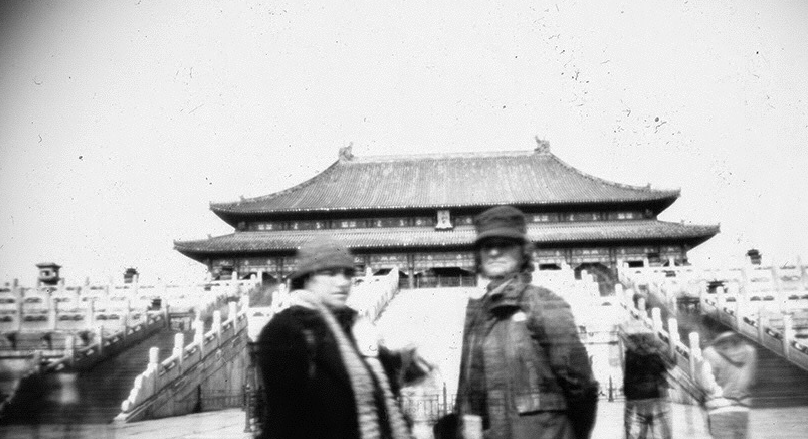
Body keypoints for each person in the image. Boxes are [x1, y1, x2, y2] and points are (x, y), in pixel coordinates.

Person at [256, 236, 428, 439]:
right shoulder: (285, 330)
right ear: (307, 278)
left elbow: (379, 381)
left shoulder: (355, 325)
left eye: (347, 274)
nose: (342, 282)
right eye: (330, 273)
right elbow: (283, 418)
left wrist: (404, 363)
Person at [453, 206, 599, 439]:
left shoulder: (542, 303)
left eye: (504, 245)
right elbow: (468, 395)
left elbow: (580, 384)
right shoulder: (477, 312)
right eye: (487, 246)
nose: (494, 252)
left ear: (523, 252)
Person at [620, 320, 673, 439]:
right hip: (655, 394)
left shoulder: (630, 353)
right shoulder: (655, 352)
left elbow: (628, 375)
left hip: (635, 396)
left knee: (638, 424)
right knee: (658, 424)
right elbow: (665, 368)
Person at [699, 331, 757, 439]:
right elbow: (751, 381)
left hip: (718, 407)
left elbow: (706, 384)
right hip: (742, 407)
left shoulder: (709, 353)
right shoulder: (749, 352)